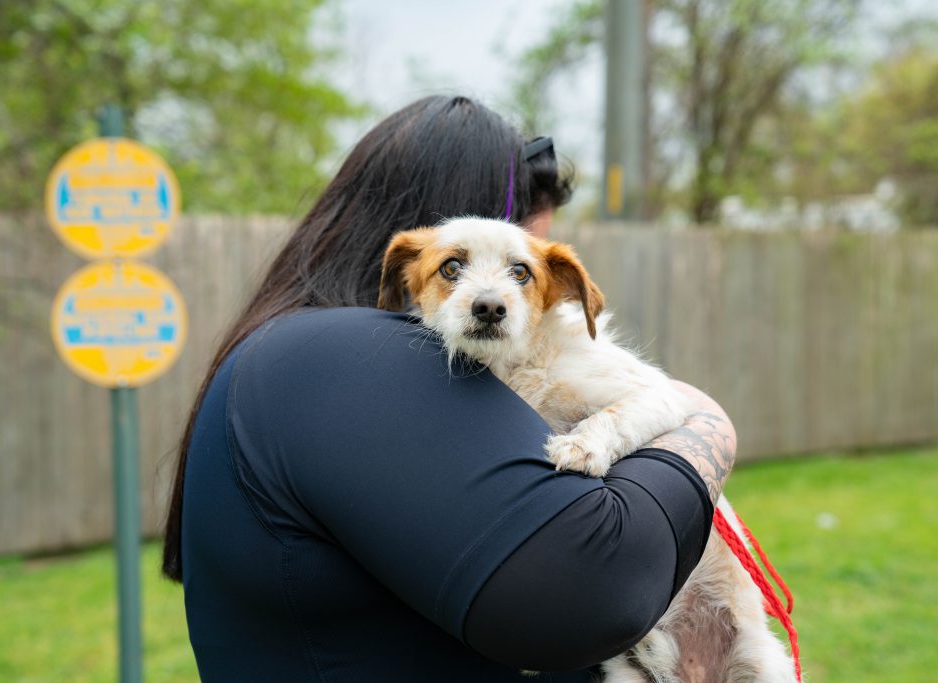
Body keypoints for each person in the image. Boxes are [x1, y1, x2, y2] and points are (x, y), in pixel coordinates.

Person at [161, 95, 737, 682]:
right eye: (528, 228)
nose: (505, 295)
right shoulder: (346, 357)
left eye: (522, 272)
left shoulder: (291, 354)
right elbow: (597, 589)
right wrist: (708, 425)